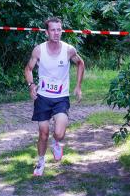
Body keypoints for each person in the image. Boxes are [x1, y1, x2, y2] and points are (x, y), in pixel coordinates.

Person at [24, 17, 85, 176]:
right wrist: (31, 86)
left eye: (59, 29)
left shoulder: (68, 50)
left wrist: (78, 86)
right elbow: (28, 69)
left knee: (59, 133)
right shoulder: (39, 50)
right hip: (43, 98)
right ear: (47, 32)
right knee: (43, 133)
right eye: (53, 30)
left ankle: (57, 143)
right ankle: (41, 162)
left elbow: (80, 63)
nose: (57, 33)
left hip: (61, 98)